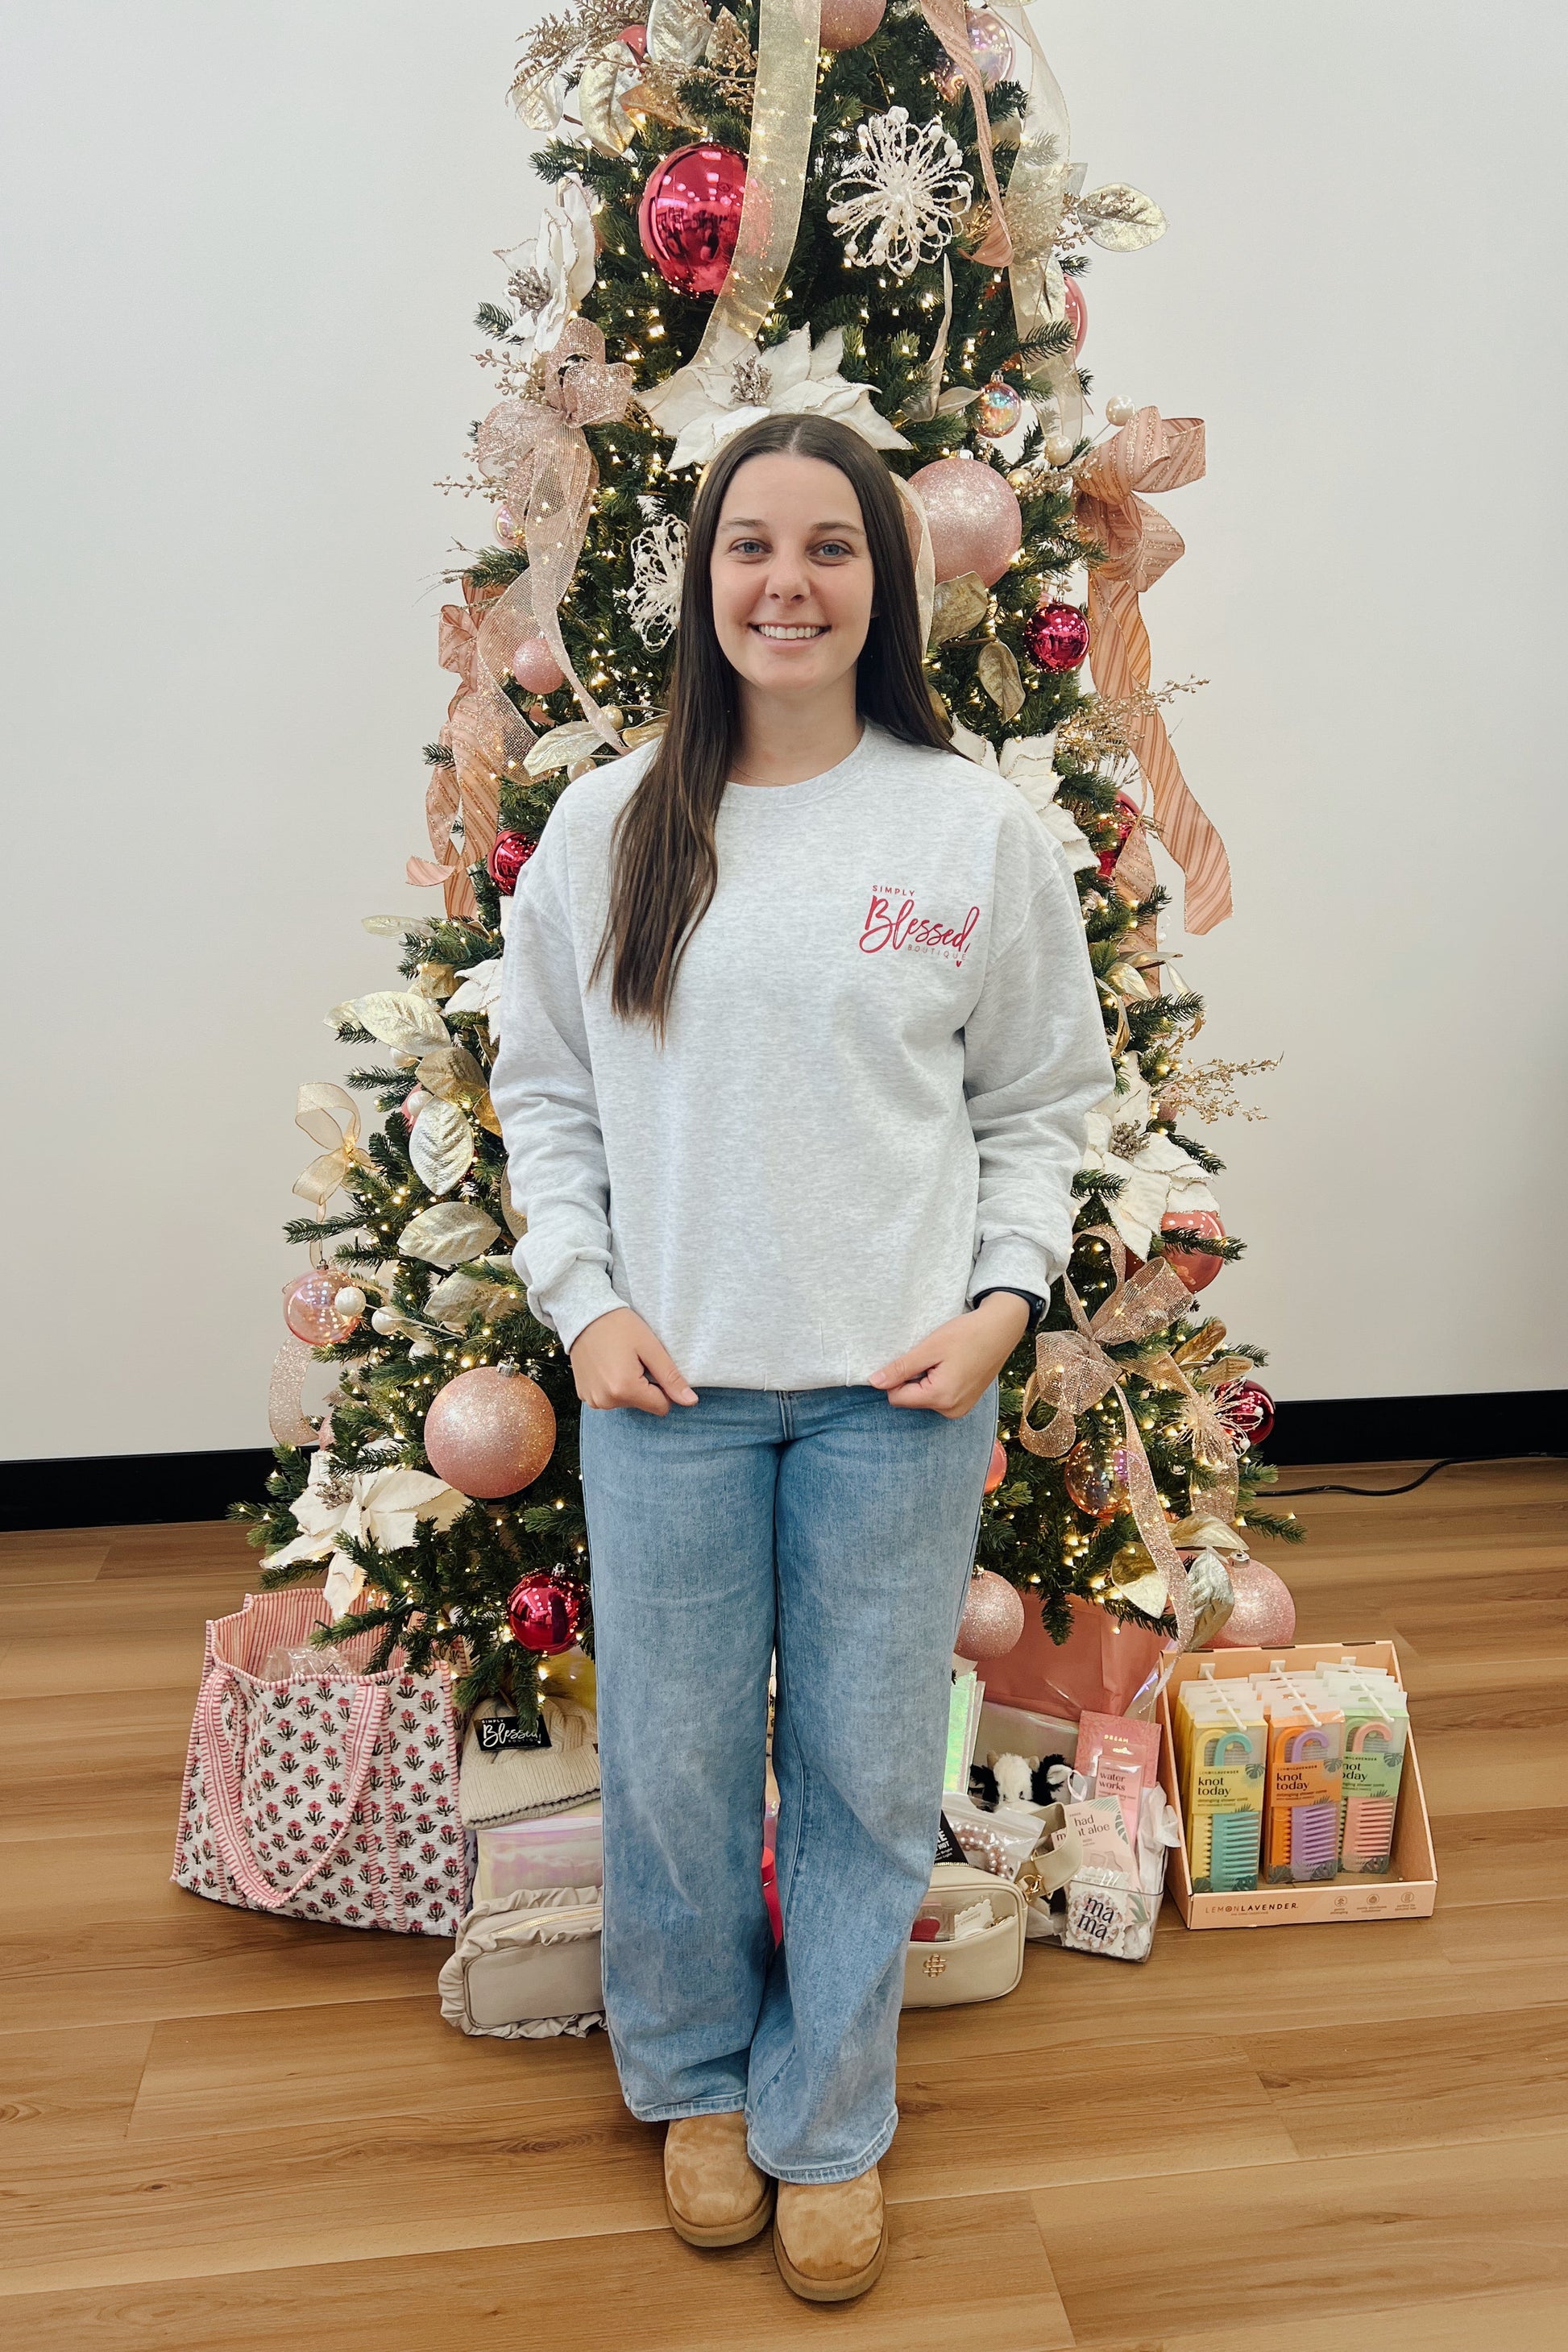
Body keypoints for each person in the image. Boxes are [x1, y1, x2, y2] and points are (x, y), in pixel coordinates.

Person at [491, 412, 1111, 2304]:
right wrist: (584, 1300)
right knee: (675, 1761)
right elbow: (543, 1096)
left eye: (829, 547)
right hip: (662, 1387)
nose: (786, 582)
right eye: (748, 545)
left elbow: (1040, 1101)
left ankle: (826, 2105)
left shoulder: (971, 828)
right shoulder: (614, 823)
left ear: (883, 581)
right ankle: (685, 2069)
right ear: (700, 577)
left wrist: (1003, 1300)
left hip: (898, 1392)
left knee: (857, 1763)